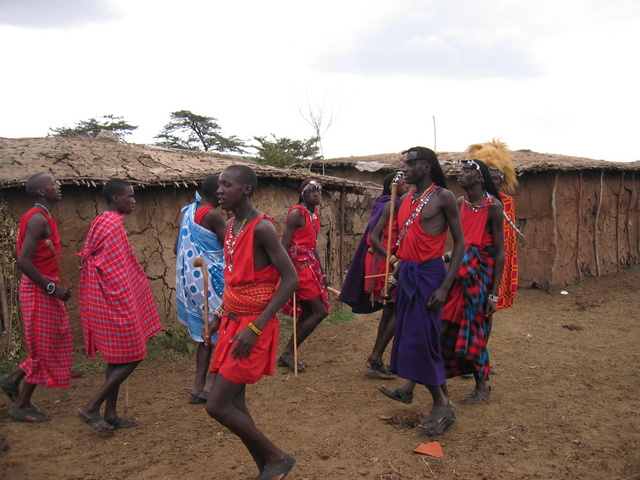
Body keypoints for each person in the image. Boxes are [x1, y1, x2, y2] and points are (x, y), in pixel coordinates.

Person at [203, 165, 299, 480]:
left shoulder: (262, 228)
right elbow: (236, 284)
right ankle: (266, 469)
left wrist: (255, 327)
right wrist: (219, 315)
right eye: (218, 185)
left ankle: (277, 457)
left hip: (253, 327)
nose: (219, 191)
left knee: (216, 405)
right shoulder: (231, 227)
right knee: (235, 404)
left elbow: (290, 279)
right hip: (233, 322)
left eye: (226, 185)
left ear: (246, 189)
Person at [378, 147, 465, 437]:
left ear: (426, 167)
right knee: (412, 336)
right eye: (404, 163)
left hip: (430, 277)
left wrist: (445, 286)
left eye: (411, 164)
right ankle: (409, 389)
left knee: (423, 339)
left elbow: (460, 243)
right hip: (407, 275)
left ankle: (443, 404)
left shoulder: (443, 197)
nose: (406, 168)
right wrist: (395, 273)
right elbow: (402, 243)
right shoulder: (404, 199)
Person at [76, 178, 162, 434]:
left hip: (105, 298)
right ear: (116, 198)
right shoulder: (112, 225)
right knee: (134, 355)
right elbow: (115, 271)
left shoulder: (103, 221)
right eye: (130, 196)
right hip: (114, 299)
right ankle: (91, 406)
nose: (133, 201)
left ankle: (111, 413)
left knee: (117, 358)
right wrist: (128, 299)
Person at [0, 173, 73, 423]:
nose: (58, 186)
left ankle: (11, 380)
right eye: (53, 183)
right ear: (41, 191)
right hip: (39, 290)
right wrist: (52, 289)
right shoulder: (38, 219)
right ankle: (21, 404)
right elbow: (22, 261)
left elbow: (21, 250)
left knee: (49, 344)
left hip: (41, 287)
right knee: (45, 349)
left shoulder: (40, 217)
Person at [440, 159, 505, 404]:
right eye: (461, 170)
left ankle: (482, 385)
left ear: (479, 177)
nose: (461, 174)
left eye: (467, 171)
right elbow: (459, 242)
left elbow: (499, 252)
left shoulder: (494, 207)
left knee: (476, 330)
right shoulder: (459, 203)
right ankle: (436, 385)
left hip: (480, 278)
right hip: (459, 275)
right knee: (443, 327)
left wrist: (493, 293)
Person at [339, 172, 409, 378]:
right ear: (394, 186)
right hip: (385, 263)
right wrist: (393, 258)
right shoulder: (390, 205)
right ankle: (375, 358)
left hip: (387, 260)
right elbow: (374, 237)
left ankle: (376, 359)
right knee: (398, 309)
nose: (408, 185)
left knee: (391, 310)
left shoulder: (396, 203)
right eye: (404, 182)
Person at [175, 175, 226, 404]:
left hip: (192, 282)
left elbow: (178, 248)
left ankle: (197, 387)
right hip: (211, 280)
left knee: (205, 335)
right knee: (223, 328)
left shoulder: (188, 213)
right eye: (223, 188)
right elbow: (229, 247)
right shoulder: (213, 214)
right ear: (217, 193)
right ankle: (210, 384)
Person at [278, 179, 329, 372]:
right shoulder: (296, 214)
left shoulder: (314, 214)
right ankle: (289, 353)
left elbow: (312, 245)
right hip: (299, 267)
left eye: (319, 191)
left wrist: (322, 273)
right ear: (303, 195)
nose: (317, 195)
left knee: (309, 312)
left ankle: (288, 353)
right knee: (320, 311)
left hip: (310, 265)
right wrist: (285, 273)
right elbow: (284, 246)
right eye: (312, 192)